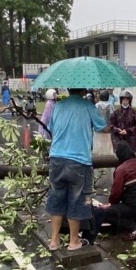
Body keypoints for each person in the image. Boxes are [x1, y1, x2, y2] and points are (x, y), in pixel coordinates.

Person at [46, 87, 107, 251]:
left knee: (56, 197)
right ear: (83, 90)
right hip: (79, 160)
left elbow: (51, 127)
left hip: (56, 158)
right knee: (77, 199)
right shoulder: (88, 106)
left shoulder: (58, 105)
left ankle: (54, 241)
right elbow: (102, 126)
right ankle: (74, 242)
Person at [85, 142, 136, 244]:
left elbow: (116, 193)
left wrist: (110, 205)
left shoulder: (121, 169)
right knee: (124, 205)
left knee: (103, 212)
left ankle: (134, 226)